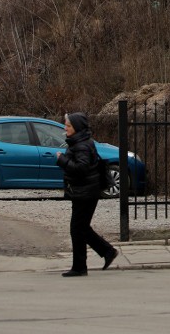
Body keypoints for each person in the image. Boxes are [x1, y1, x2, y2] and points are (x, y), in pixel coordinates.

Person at [56, 112, 118, 277]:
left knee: (77, 228)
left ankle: (82, 266)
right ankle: (105, 253)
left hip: (86, 192)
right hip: (85, 191)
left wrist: (62, 160)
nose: (65, 128)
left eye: (68, 125)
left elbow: (81, 169)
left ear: (77, 128)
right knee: (81, 228)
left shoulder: (82, 145)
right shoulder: (80, 142)